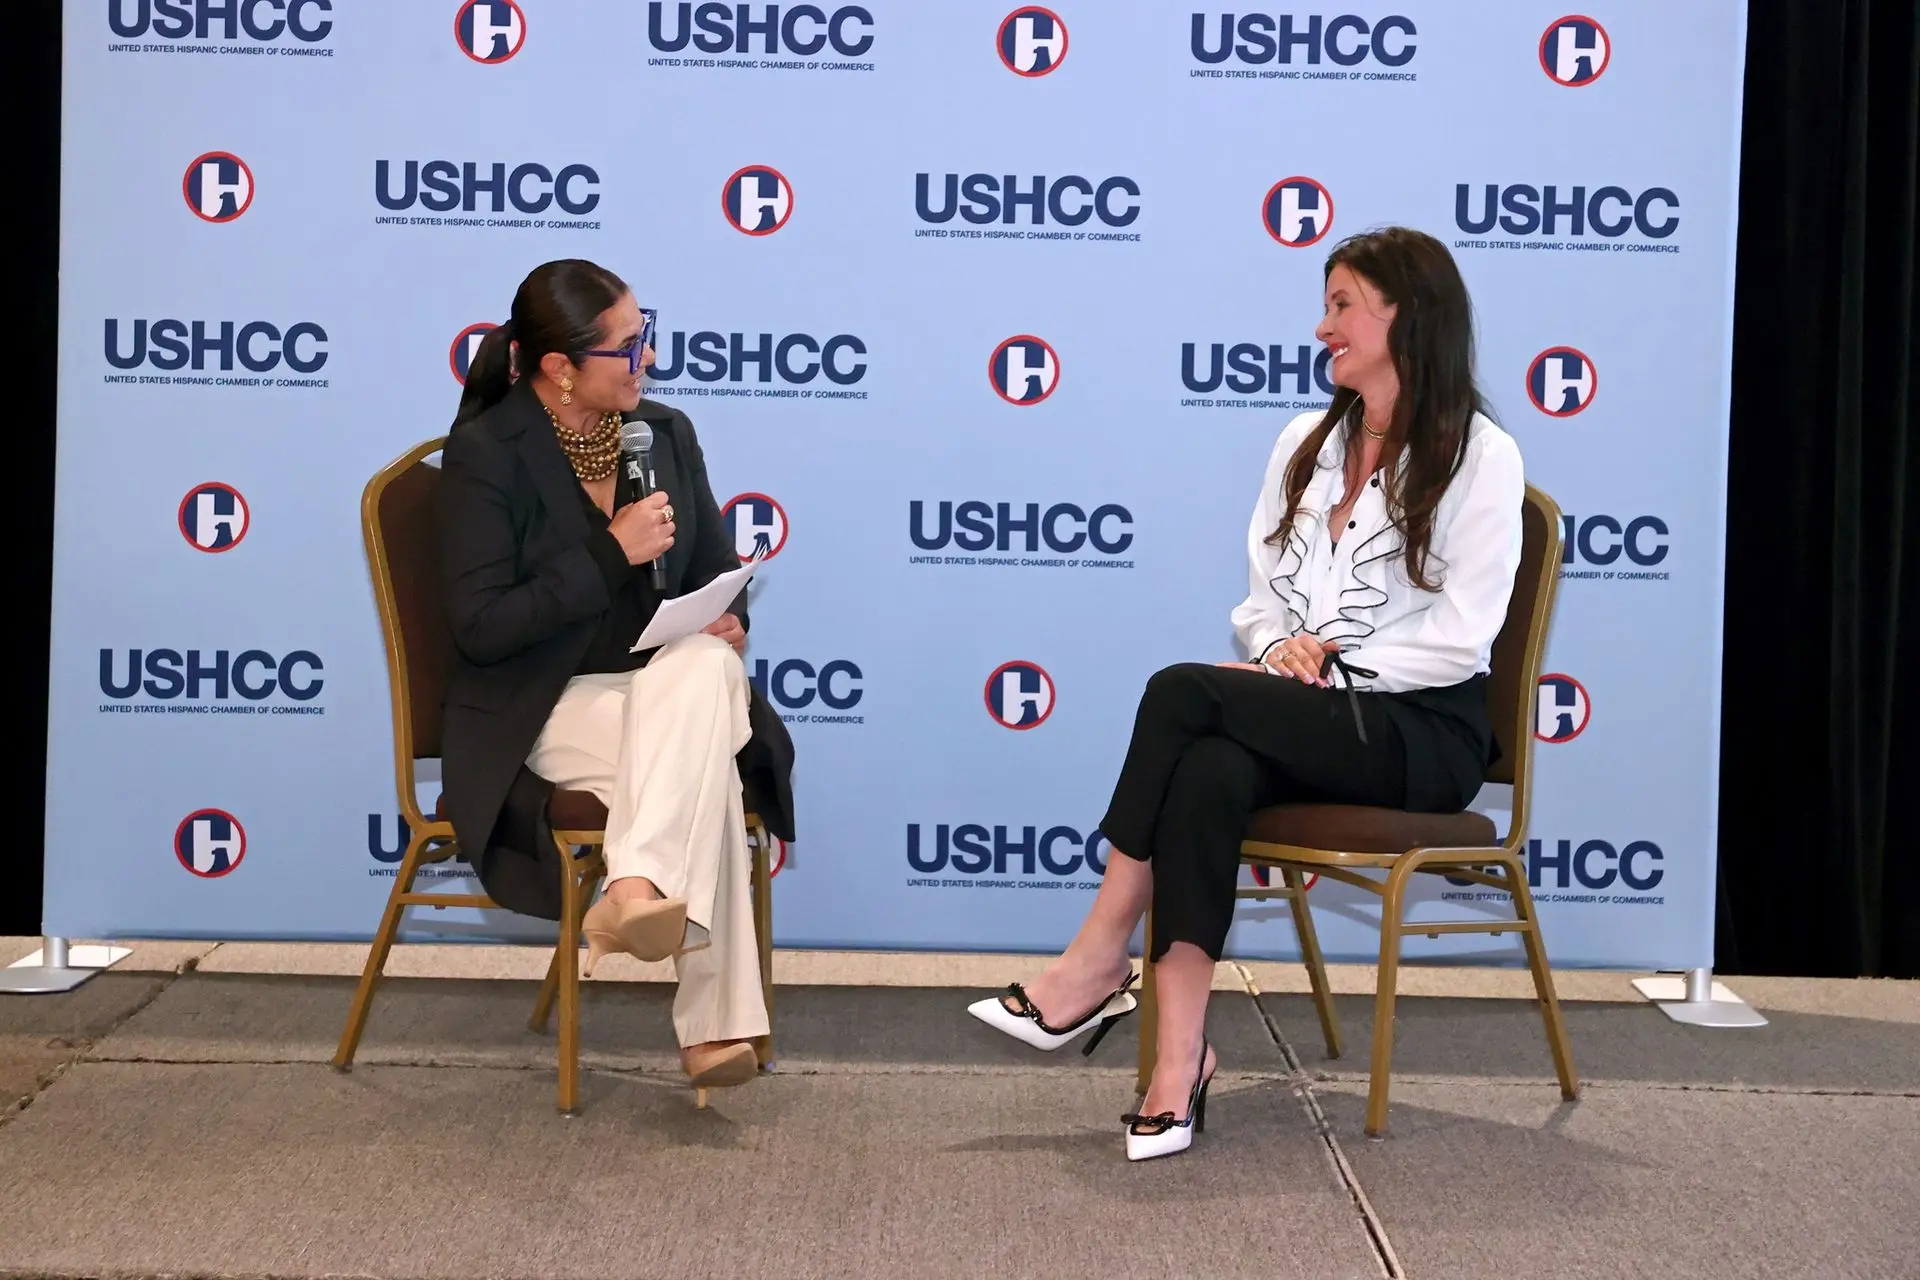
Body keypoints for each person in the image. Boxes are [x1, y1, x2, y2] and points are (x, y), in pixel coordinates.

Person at [968, 227, 1525, 1161]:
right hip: (1312, 712)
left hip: (1421, 732)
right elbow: (1260, 606)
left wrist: (1332, 662)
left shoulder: (1480, 455)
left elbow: (1464, 638)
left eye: (1343, 305)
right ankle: (1177, 1067)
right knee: (1211, 769)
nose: (1322, 327)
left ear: (1408, 315)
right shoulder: (1302, 443)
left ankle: (1099, 957)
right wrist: (1281, 652)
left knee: (1181, 692)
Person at [437, 258, 794, 1100]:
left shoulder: (663, 434)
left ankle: (632, 887)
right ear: (560, 367)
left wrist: (728, 618)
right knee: (698, 762)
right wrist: (610, 552)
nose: (650, 360)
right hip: (541, 708)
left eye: (647, 338)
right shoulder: (489, 452)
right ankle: (713, 1028)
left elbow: (711, 573)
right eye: (630, 348)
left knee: (706, 663)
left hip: (663, 693)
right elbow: (482, 629)